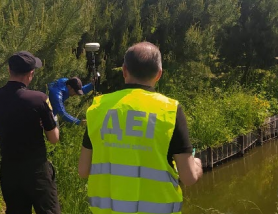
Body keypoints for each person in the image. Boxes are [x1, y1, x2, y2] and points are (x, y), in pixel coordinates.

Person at [78, 41, 203, 214]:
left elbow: (83, 170)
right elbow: (188, 178)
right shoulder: (170, 110)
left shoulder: (98, 108)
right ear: (159, 74)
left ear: (124, 71)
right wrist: (197, 164)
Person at [0, 51, 61, 214]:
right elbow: (54, 138)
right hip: (36, 169)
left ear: (9, 70)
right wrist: (52, 121)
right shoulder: (39, 99)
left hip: (9, 169)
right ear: (31, 73)